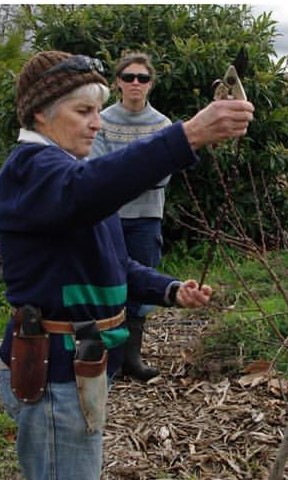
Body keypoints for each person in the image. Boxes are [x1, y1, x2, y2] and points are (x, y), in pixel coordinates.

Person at [0, 50, 253, 480]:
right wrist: (188, 135)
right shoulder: (31, 170)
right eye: (83, 111)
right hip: (55, 374)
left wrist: (170, 288)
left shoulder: (63, 171)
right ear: (40, 111)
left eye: (98, 110)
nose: (97, 124)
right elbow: (89, 188)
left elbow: (116, 262)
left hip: (80, 368)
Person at [91, 51, 173, 381]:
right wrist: (137, 174)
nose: (135, 83)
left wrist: (120, 176)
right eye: (128, 77)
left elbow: (164, 174)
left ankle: (131, 358)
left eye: (142, 78)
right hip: (107, 218)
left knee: (141, 288)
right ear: (117, 83)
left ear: (150, 84)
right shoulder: (102, 121)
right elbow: (95, 172)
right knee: (105, 285)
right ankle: (104, 359)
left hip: (146, 218)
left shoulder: (163, 125)